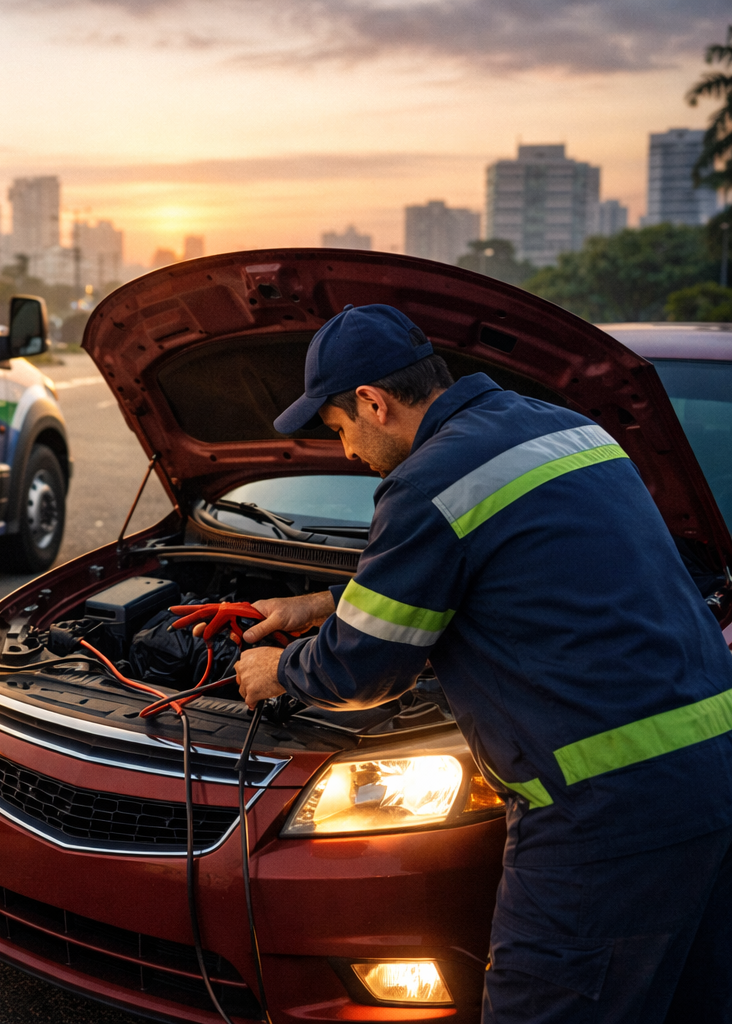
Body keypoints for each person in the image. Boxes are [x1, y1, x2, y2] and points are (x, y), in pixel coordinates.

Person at [226, 304, 732, 1022]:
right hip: (712, 781)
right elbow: (523, 565)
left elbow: (360, 672)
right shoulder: (566, 428)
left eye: (338, 428)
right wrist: (324, 601)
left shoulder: (429, 479)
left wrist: (278, 669)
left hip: (602, 815)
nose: (343, 452)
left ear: (373, 401)